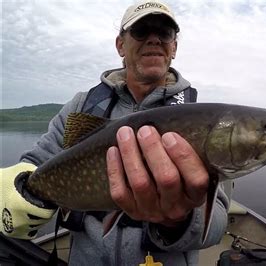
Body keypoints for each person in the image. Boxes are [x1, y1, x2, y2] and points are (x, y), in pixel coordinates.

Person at [0, 0, 230, 265]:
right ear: (121, 45)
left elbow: (217, 224)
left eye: (164, 33)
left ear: (174, 47)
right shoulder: (82, 106)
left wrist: (179, 219)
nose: (154, 39)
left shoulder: (202, 123)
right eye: (142, 31)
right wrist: (21, 191)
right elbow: (35, 165)